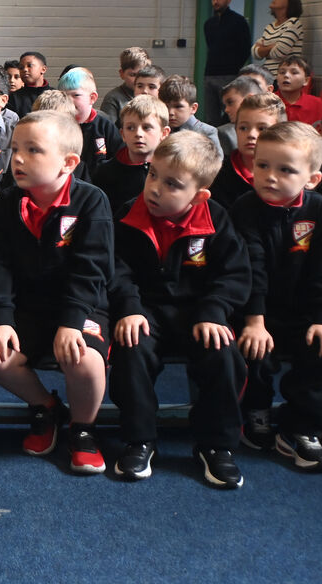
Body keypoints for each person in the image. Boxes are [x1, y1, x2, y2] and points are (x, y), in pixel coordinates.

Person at [108, 132, 250, 488]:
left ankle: (216, 445)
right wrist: (129, 308)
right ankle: (139, 438)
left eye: (172, 184)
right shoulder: (127, 213)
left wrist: (214, 311)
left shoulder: (217, 219)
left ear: (199, 195)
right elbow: (116, 270)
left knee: (223, 354)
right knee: (131, 347)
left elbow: (234, 274)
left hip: (199, 311)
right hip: (146, 310)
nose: (154, 188)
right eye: (152, 174)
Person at [0, 110, 114, 475]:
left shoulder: (91, 201)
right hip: (28, 308)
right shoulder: (7, 202)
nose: (18, 159)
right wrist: (0, 319)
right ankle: (46, 407)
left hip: (80, 307)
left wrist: (72, 322)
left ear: (68, 163)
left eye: (34, 150)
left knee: (83, 358)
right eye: (15, 149)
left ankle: (83, 429)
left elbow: (91, 270)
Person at [231, 121, 322, 472]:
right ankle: (256, 413)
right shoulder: (245, 207)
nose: (270, 176)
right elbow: (251, 266)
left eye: (285, 170)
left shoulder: (319, 210)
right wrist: (255, 320)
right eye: (262, 165)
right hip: (255, 311)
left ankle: (301, 428)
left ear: (312, 179)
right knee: (256, 355)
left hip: (303, 310)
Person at [92, 95, 171, 213]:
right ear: (122, 134)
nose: (138, 133)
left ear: (164, 133)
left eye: (147, 127)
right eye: (130, 128)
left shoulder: (173, 172)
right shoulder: (105, 173)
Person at [210, 92, 286, 208]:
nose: (251, 134)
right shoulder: (217, 175)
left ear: (280, 133)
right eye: (243, 128)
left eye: (262, 128)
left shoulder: (289, 174)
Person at [57, 67, 123, 181]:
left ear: (92, 98)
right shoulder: (58, 126)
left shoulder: (104, 126)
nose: (69, 100)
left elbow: (119, 158)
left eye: (75, 95)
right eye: (64, 96)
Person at [202, 0, 252, 111]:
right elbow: (211, 46)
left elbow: (245, 48)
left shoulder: (239, 21)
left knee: (229, 111)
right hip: (210, 73)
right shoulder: (209, 23)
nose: (216, 2)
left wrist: (234, 68)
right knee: (211, 114)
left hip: (230, 74)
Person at [159, 75, 222, 157]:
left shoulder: (206, 132)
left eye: (178, 106)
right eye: (166, 106)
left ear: (193, 108)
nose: (170, 112)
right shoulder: (160, 132)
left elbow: (216, 164)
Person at [250, 0, 306, 77]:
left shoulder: (294, 23)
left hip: (285, 76)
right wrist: (272, 46)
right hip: (268, 76)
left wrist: (264, 49)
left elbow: (279, 53)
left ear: (290, 3)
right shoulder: (270, 27)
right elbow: (255, 53)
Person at [100, 47, 151, 126]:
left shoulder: (154, 94)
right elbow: (108, 131)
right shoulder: (113, 98)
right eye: (133, 75)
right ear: (122, 74)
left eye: (142, 74)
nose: (138, 79)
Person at [217, 75, 264, 154]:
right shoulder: (225, 134)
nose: (226, 110)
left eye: (230, 102)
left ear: (249, 99)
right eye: (243, 128)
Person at [276, 56, 322, 126]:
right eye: (282, 72)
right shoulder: (268, 101)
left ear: (306, 80)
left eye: (294, 72)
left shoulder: (316, 103)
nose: (286, 75)